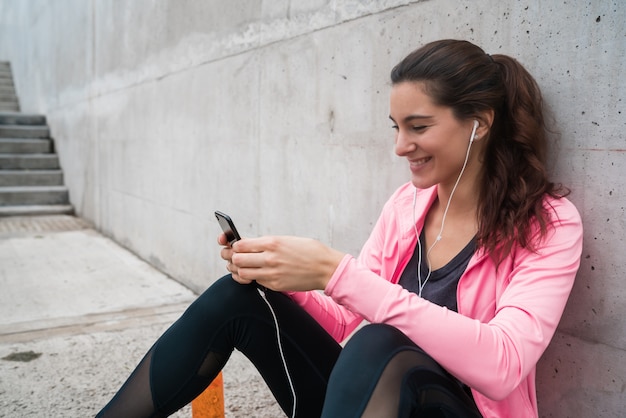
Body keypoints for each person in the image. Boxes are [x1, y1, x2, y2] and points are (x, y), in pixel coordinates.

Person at [96, 39, 583, 418]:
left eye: (418, 126)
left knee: (382, 341)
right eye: (395, 126)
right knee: (238, 298)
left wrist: (336, 272)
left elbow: (503, 365)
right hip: (371, 403)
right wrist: (286, 275)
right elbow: (345, 318)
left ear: (479, 123)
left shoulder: (548, 224)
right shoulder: (409, 205)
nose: (400, 146)